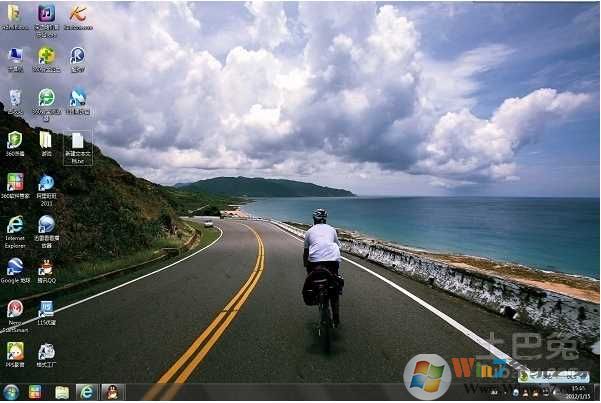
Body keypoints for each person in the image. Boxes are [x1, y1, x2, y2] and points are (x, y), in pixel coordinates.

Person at [303, 208, 342, 326]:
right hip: (332, 261)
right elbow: (338, 245)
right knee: (334, 285)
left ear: (314, 219)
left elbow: (306, 252)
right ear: (325, 219)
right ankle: (336, 317)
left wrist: (305, 264)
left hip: (315, 263)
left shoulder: (309, 231)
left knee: (312, 279)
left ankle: (315, 292)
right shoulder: (332, 229)